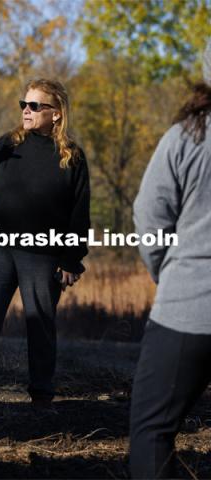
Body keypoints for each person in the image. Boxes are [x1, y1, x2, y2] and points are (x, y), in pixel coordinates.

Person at [0, 79, 91, 409]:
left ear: (56, 114)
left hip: (43, 253)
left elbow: (78, 214)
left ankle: (41, 395)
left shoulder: (71, 157)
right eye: (23, 105)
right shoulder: (10, 143)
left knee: (40, 323)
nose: (26, 111)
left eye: (34, 106)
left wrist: (72, 259)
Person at [130, 39, 211, 479]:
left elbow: (149, 213)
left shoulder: (188, 135)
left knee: (151, 433)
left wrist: (169, 272)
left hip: (186, 311)